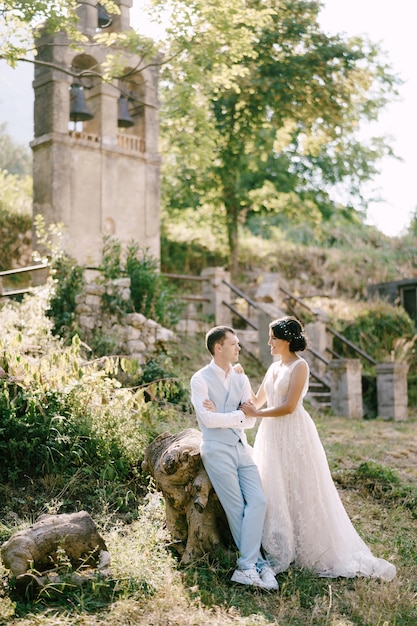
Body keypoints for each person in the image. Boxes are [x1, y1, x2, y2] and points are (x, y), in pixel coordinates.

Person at [238, 316, 396, 581]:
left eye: (273, 338)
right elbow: (256, 400)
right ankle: (280, 543)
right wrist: (239, 379)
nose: (269, 342)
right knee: (274, 484)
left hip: (294, 432)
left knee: (302, 486)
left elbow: (289, 406)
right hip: (272, 434)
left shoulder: (300, 367)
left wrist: (258, 413)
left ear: (287, 340)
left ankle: (311, 548)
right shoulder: (274, 368)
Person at [190, 325, 278, 590]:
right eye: (234, 344)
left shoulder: (241, 377)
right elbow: (206, 419)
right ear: (219, 347)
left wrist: (227, 416)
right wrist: (237, 416)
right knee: (236, 508)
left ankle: (248, 566)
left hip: (241, 447)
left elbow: (250, 420)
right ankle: (256, 566)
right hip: (216, 450)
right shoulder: (200, 379)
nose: (239, 348)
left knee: (259, 501)